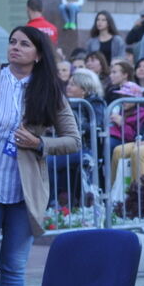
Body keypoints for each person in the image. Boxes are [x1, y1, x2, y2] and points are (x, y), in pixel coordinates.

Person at [0, 26, 81, 286]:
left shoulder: (49, 91)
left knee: (12, 267)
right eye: (12, 42)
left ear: (38, 54)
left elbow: (73, 139)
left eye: (24, 44)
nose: (15, 48)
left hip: (24, 191)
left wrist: (40, 144)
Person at [49, 68, 105, 208]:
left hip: (85, 149)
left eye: (73, 84)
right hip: (66, 146)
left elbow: (96, 124)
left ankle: (51, 203)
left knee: (49, 162)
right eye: (68, 84)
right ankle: (57, 201)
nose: (68, 86)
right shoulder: (66, 103)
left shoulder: (95, 103)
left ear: (84, 89)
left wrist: (71, 127)